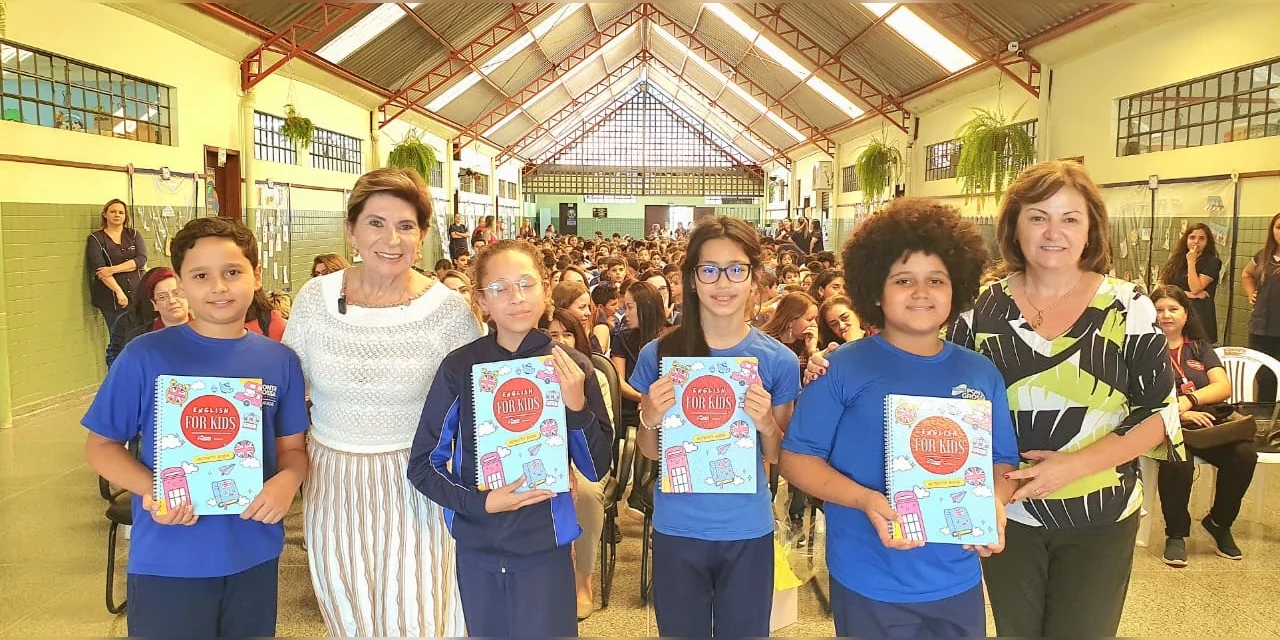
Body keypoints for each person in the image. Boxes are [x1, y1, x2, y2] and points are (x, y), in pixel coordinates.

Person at [947, 161, 1181, 636]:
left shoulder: (1128, 305)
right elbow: (945, 398)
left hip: (1101, 512)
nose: (1053, 232)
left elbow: (1159, 414)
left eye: (1070, 218)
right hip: (1006, 510)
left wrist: (1070, 467)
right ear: (1014, 227)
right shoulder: (978, 310)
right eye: (1038, 217)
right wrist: (831, 363)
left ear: (1091, 229)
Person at [781, 198, 1018, 637]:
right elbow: (796, 461)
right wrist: (864, 500)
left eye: (937, 280)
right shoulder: (841, 369)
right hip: (868, 575)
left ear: (957, 287)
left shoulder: (980, 373)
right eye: (904, 280)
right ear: (875, 289)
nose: (921, 292)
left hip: (956, 574)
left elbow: (1002, 462)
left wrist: (995, 502)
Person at [82, 217, 309, 637]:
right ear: (181, 284)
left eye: (233, 272)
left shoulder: (280, 360)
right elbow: (101, 446)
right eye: (201, 276)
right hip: (169, 556)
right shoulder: (145, 356)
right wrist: (154, 489)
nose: (219, 287)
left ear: (256, 276)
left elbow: (293, 450)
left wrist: (288, 481)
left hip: (253, 551)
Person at [283, 168, 476, 637]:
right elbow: (287, 387)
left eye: (406, 226)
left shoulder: (448, 312)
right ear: (350, 230)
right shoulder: (315, 299)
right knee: (350, 615)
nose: (391, 239)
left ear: (423, 236)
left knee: (420, 616)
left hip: (418, 481)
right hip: (332, 481)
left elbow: (476, 406)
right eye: (375, 223)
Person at [408, 240, 613, 637]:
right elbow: (422, 465)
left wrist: (575, 407)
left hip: (546, 544)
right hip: (478, 542)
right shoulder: (460, 368)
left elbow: (596, 466)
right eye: (499, 288)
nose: (515, 297)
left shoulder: (571, 366)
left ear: (545, 289)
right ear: (481, 300)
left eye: (526, 284)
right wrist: (478, 502)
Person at [631, 217, 799, 636]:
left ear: (754, 277)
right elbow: (650, 451)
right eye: (709, 270)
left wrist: (766, 424)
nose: (723, 283)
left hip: (747, 528)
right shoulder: (661, 354)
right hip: (677, 526)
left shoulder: (776, 360)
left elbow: (780, 457)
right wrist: (649, 417)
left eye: (736, 269)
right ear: (691, 278)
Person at [1150, 285, 1256, 566]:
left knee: (1244, 454)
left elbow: (1222, 387)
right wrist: (1178, 413)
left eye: (1173, 309)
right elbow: (1138, 394)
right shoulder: (1143, 348)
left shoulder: (1198, 347)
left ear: (1186, 314)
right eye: (1159, 310)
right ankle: (1176, 534)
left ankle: (1219, 523)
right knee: (1178, 460)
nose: (1166, 315)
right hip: (1163, 424)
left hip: (1205, 424)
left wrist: (1190, 401)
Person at [540, 308, 614, 620]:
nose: (560, 342)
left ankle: (583, 581)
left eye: (567, 334)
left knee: (585, 492)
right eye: (552, 335)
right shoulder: (529, 371)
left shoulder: (593, 374)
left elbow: (603, 438)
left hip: (586, 459)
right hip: (545, 458)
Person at [105, 267, 190, 368]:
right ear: (154, 304)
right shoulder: (138, 340)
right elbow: (122, 366)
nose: (172, 300)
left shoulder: (206, 332)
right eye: (162, 297)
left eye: (177, 293)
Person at [86, 198, 148, 332]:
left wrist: (113, 269)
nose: (117, 215)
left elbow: (141, 259)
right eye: (113, 212)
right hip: (110, 297)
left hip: (136, 293)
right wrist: (118, 291)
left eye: (121, 212)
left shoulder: (133, 235)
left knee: (139, 333)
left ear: (125, 216)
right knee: (119, 336)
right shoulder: (96, 238)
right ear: (105, 214)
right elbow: (100, 270)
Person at [1159, 224, 1222, 343]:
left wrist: (1191, 262)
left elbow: (1195, 288)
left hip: (1199, 316)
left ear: (1207, 242)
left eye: (1201, 238)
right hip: (1175, 314)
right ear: (1186, 239)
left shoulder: (1212, 262)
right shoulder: (1177, 260)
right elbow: (1162, 286)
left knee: (1196, 350)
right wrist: (1187, 294)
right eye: (1192, 237)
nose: (1196, 242)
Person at [1241, 212, 1280, 402]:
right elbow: (1246, 274)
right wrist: (1251, 293)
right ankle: (1265, 415)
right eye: (1278, 227)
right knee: (1264, 378)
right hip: (1260, 328)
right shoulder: (1263, 255)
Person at [553, 281, 606, 354]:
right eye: (582, 307)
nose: (588, 313)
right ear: (563, 308)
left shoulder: (591, 340)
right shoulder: (544, 338)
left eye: (588, 306)